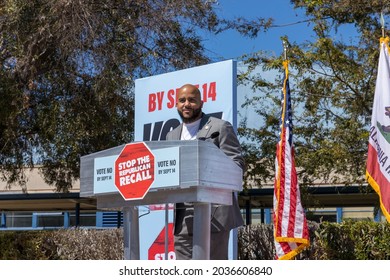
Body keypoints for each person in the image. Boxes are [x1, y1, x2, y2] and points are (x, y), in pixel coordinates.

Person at [166, 83, 245, 260]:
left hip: (214, 213)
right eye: (182, 100)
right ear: (176, 104)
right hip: (183, 216)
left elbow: (237, 166)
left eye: (192, 100)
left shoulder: (220, 127)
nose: (186, 104)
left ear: (202, 103)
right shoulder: (171, 136)